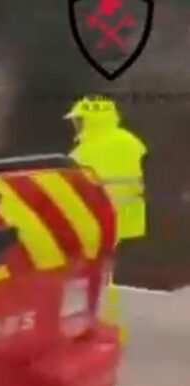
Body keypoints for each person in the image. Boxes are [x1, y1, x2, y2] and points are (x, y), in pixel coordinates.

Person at [64, 95, 148, 341]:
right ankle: (103, 322)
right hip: (127, 218)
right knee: (104, 274)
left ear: (91, 120)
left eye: (80, 120)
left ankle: (103, 325)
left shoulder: (83, 154)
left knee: (96, 277)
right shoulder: (132, 142)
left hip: (99, 223)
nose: (76, 125)